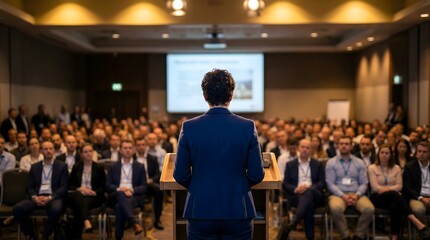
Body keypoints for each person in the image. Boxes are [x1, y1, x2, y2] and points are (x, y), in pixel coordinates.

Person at [173, 69, 265, 240]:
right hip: (239, 209)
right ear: (231, 96)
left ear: (204, 96)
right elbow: (256, 174)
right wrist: (238, 185)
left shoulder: (189, 127)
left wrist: (200, 186)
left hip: (200, 209)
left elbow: (180, 174)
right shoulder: (247, 126)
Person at [368, 144, 430, 240]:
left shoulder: (396, 168)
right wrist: (391, 189)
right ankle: (413, 219)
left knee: (396, 206)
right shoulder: (372, 168)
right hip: (378, 198)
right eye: (382, 153)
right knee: (394, 195)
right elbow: (375, 187)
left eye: (387, 153)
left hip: (394, 199)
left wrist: (387, 189)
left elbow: (400, 186)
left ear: (391, 155)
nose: (384, 155)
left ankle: (394, 236)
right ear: (378, 154)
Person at [13, 141, 68, 240]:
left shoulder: (62, 166)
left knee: (56, 209)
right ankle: (32, 235)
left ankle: (45, 235)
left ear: (54, 151)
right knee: (17, 209)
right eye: (45, 149)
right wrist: (34, 197)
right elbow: (29, 187)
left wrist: (50, 197)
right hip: (37, 196)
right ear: (41, 150)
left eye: (50, 149)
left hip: (53, 197)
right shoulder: (35, 167)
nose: (48, 151)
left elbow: (64, 187)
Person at [325, 136, 374, 240]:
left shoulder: (359, 162)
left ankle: (358, 236)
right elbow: (330, 183)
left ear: (351, 147)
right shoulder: (331, 162)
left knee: (369, 209)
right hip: (338, 195)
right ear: (338, 146)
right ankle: (345, 236)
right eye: (341, 143)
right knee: (335, 208)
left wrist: (357, 195)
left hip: (357, 194)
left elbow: (364, 183)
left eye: (347, 144)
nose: (344, 146)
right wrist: (343, 196)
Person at [282, 139, 325, 240]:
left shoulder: (317, 164)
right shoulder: (290, 164)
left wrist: (310, 187)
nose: (305, 150)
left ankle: (295, 221)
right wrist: (296, 189)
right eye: (303, 147)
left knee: (309, 193)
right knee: (309, 204)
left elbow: (322, 183)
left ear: (311, 150)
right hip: (298, 196)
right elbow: (285, 184)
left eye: (307, 147)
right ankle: (310, 237)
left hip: (316, 195)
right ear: (298, 148)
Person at [105, 140, 146, 239]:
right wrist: (120, 188)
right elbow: (107, 185)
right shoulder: (113, 166)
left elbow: (144, 186)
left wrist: (131, 190)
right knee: (120, 194)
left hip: (133, 197)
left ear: (133, 150)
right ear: (120, 150)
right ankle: (133, 223)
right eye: (125, 148)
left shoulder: (140, 166)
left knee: (119, 207)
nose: (128, 150)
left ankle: (118, 237)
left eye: (130, 148)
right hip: (115, 195)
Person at [68, 143, 106, 239]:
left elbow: (104, 187)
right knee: (78, 197)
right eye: (85, 152)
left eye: (90, 151)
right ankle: (86, 220)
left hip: (93, 197)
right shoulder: (76, 167)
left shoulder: (99, 168)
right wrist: (80, 189)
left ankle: (76, 236)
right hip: (78, 194)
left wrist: (94, 192)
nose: (88, 153)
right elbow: (70, 185)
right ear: (81, 154)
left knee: (78, 206)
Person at [134, 137, 164, 230]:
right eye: (138, 145)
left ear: (146, 146)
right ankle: (130, 220)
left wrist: (151, 180)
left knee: (159, 190)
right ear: (135, 147)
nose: (141, 147)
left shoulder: (152, 158)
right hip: (135, 184)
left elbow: (157, 174)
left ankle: (157, 219)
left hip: (148, 183)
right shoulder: (131, 158)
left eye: (143, 145)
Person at [402, 141, 430, 223]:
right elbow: (407, 187)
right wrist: (421, 198)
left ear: (429, 153)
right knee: (418, 210)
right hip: (417, 197)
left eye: (424, 152)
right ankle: (425, 233)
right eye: (419, 151)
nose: (421, 154)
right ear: (416, 152)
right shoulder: (410, 166)